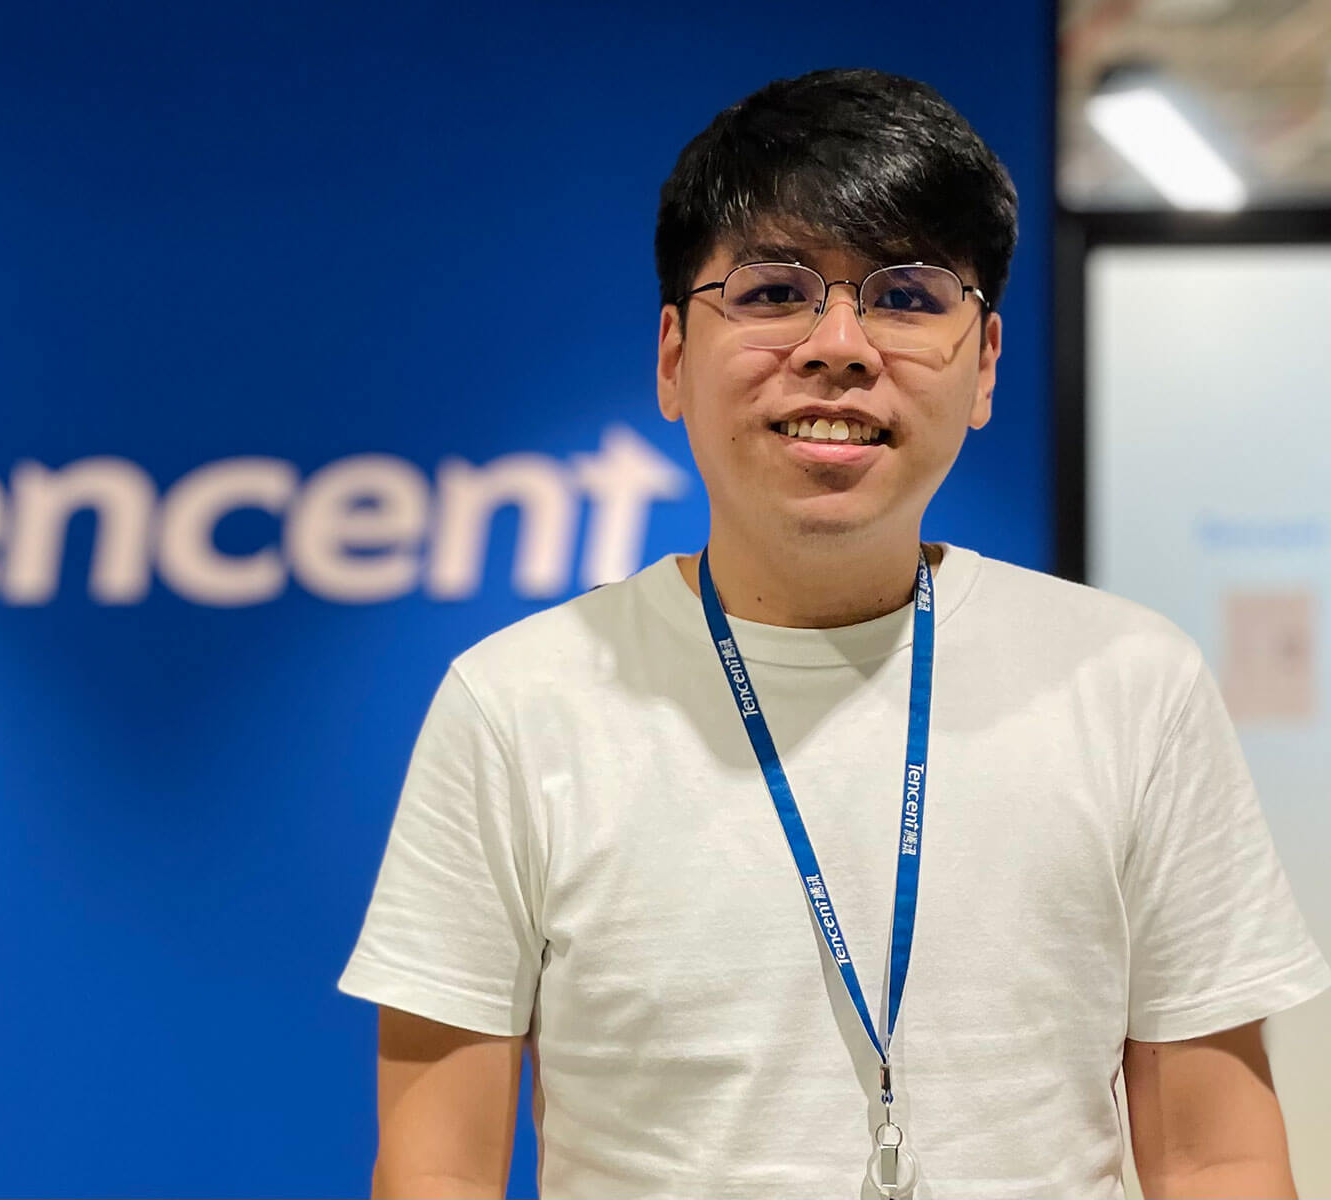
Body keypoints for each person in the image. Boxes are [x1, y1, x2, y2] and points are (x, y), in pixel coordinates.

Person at [336, 68, 1330, 1199]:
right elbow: (436, 1170)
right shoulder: (516, 704)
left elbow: (1217, 1156)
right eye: (771, 293)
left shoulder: (1128, 682)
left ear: (985, 364)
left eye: (907, 296)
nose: (840, 344)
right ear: (671, 358)